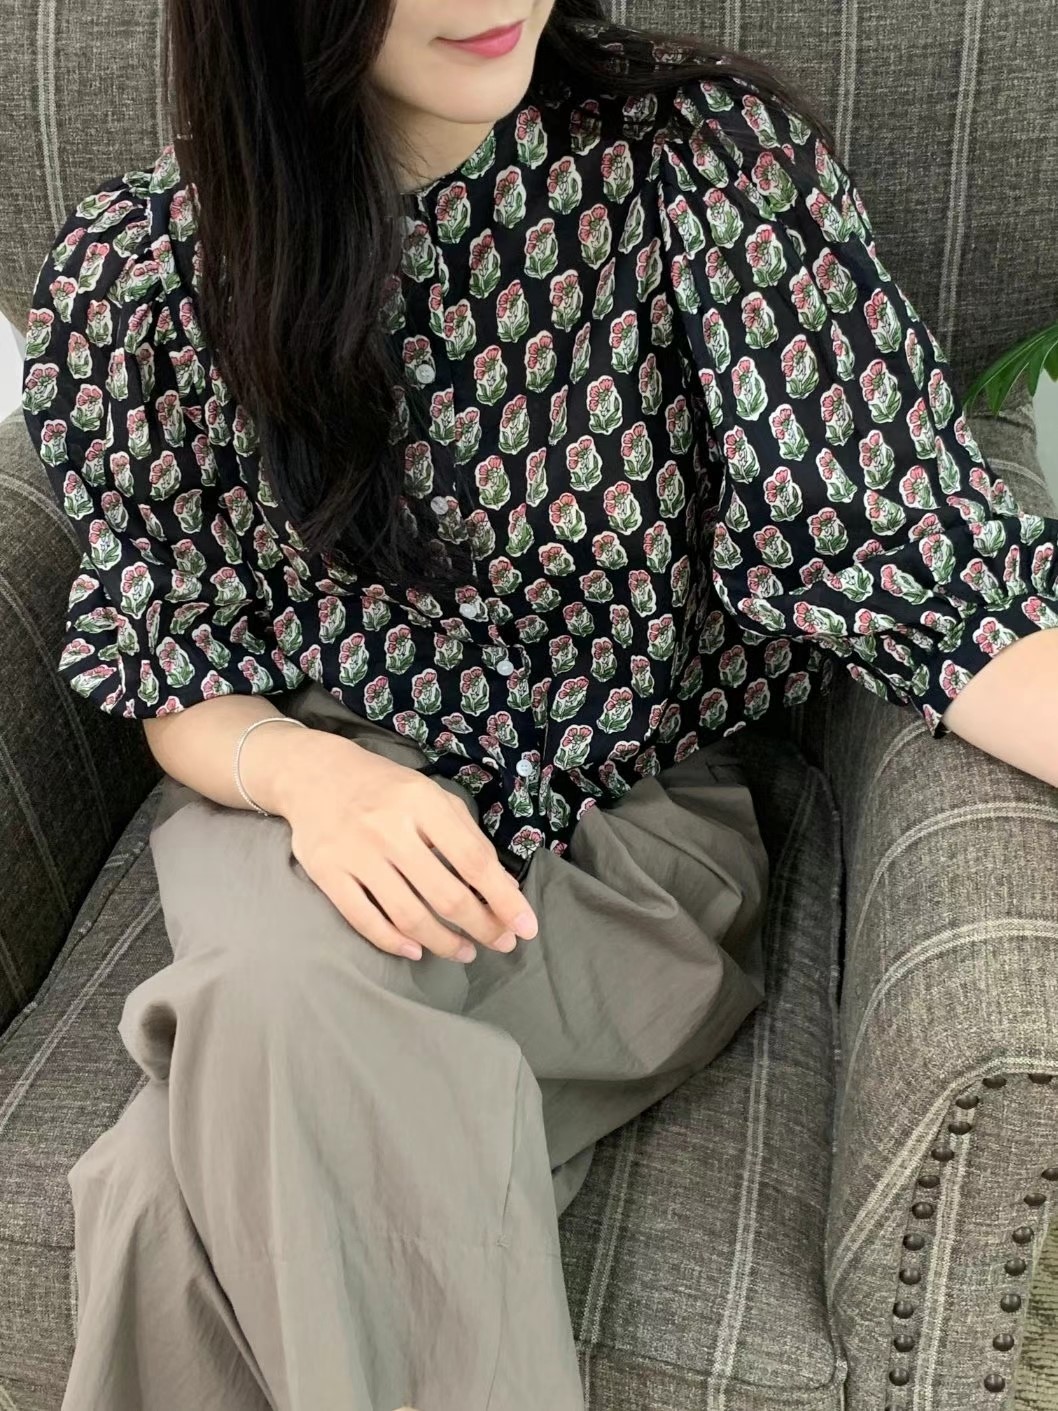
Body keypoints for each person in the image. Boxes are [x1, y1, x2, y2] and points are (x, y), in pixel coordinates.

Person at [20, 1, 1058, 1407]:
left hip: (628, 828)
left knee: (174, 1183)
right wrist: (316, 778)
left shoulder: (697, 166)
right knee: (272, 1004)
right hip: (302, 810)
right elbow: (176, 665)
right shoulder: (143, 271)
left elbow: (917, 566)